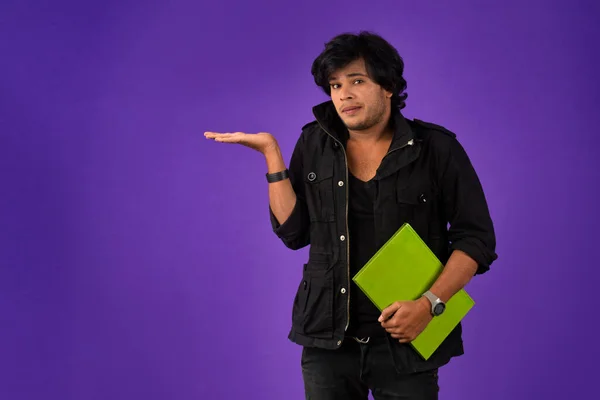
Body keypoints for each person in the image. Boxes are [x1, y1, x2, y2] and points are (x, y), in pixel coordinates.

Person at [204, 31, 497, 400]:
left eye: (357, 81)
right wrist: (272, 155)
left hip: (406, 340)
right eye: (335, 85)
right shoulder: (313, 143)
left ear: (388, 86)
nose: (344, 94)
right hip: (327, 341)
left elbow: (477, 238)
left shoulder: (436, 149)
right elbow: (293, 234)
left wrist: (430, 305)